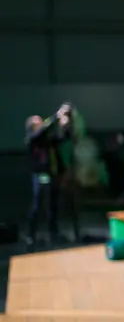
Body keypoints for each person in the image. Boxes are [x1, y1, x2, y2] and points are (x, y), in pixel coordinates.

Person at [25, 103, 80, 246]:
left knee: (53, 206)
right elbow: (43, 130)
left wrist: (66, 125)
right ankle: (30, 235)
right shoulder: (33, 138)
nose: (41, 121)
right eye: (37, 120)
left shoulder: (48, 138)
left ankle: (53, 234)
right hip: (39, 175)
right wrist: (57, 115)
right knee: (37, 206)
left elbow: (65, 138)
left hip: (52, 174)